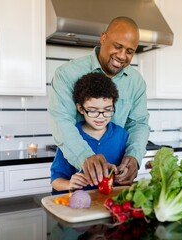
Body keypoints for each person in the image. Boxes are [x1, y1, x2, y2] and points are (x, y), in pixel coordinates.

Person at [48, 16, 150, 187]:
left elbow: (139, 123)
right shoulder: (67, 74)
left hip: (114, 187)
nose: (122, 56)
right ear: (103, 38)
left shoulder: (136, 81)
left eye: (130, 51)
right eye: (118, 46)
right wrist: (85, 157)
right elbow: (61, 121)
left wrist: (134, 157)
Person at [50, 72, 127, 192]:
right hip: (77, 206)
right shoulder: (71, 136)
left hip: (106, 203)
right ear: (80, 108)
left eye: (107, 110)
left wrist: (120, 173)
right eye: (92, 111)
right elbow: (55, 181)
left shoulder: (121, 134)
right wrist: (69, 184)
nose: (101, 117)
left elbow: (123, 172)